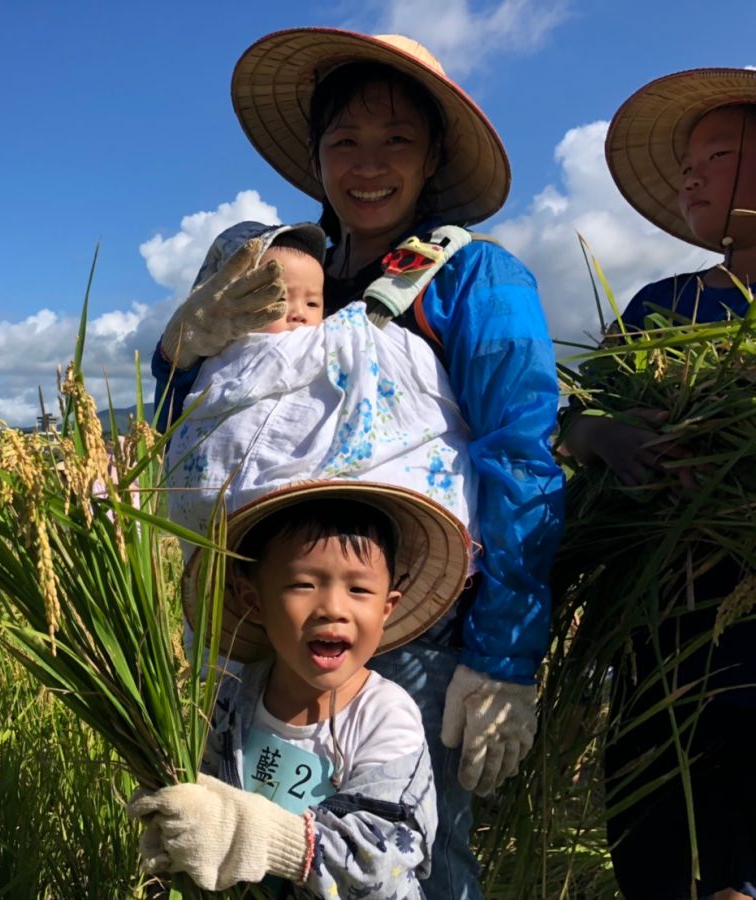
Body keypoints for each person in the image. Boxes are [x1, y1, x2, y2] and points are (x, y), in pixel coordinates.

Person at [151, 30, 563, 897]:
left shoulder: (471, 278)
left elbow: (520, 459)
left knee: (415, 858)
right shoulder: (272, 280)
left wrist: (503, 658)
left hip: (410, 627)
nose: (367, 166)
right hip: (253, 621)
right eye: (345, 142)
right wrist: (180, 351)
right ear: (316, 156)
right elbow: (194, 434)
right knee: (243, 846)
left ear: (434, 157)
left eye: (395, 142)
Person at [561, 68, 756, 900]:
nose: (688, 175)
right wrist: (606, 437)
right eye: (684, 162)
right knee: (662, 836)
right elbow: (564, 422)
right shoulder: (661, 307)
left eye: (713, 154)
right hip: (664, 639)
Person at [128, 481, 470, 896]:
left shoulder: (385, 716)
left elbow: (383, 863)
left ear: (387, 609)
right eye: (303, 585)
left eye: (359, 589)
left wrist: (264, 837)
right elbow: (202, 783)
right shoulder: (235, 696)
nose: (333, 608)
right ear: (252, 599)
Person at [166, 220, 477, 558]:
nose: (299, 314)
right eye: (279, 299)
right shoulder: (215, 357)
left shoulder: (464, 271)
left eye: (313, 304)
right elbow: (182, 429)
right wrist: (170, 359)